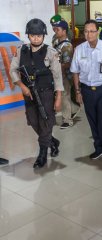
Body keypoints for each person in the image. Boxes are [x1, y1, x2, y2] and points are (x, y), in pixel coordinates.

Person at [10, 18, 63, 168]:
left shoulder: (51, 52)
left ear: (44, 36)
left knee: (45, 122)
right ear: (28, 35)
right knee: (34, 121)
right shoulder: (21, 50)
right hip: (29, 93)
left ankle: (42, 155)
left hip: (46, 93)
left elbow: (58, 77)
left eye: (39, 36)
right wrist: (22, 86)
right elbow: (12, 70)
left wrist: (58, 97)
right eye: (33, 35)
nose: (36, 38)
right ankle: (52, 141)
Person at [70, 19, 102, 162]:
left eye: (92, 31)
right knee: (92, 121)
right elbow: (75, 71)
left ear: (97, 32)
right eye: (85, 31)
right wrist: (78, 91)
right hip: (87, 90)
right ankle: (98, 148)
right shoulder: (79, 49)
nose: (88, 34)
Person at [54, 20, 80, 129]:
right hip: (58, 74)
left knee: (65, 96)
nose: (55, 31)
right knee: (64, 96)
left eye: (58, 29)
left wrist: (57, 70)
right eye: (55, 29)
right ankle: (74, 109)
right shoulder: (57, 43)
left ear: (64, 31)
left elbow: (67, 63)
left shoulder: (67, 45)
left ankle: (67, 120)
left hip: (65, 75)